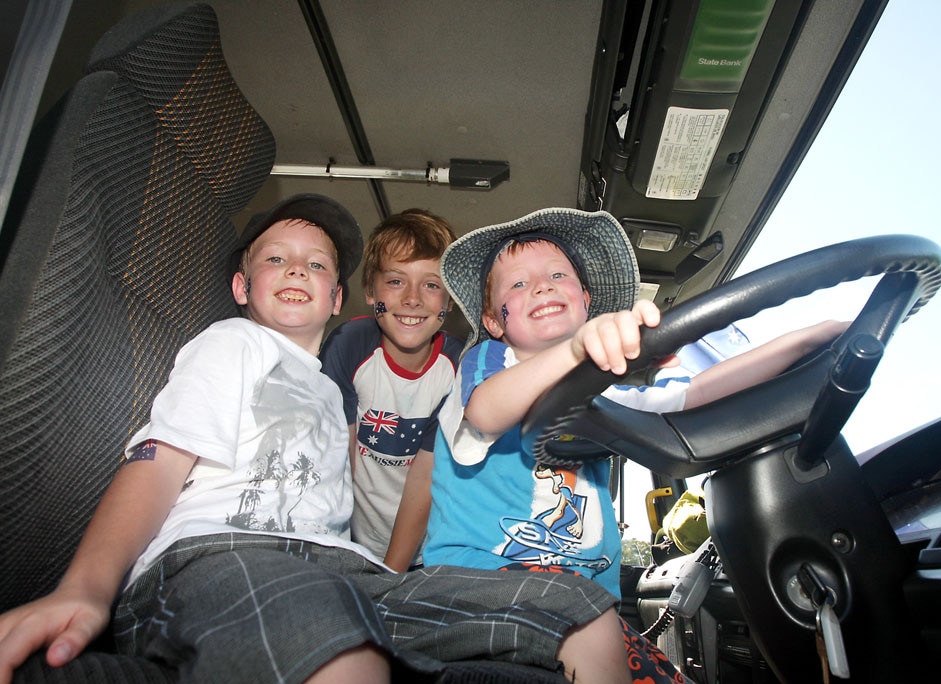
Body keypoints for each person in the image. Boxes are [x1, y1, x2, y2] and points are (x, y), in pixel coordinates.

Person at [0, 195, 633, 684]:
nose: (296, 267)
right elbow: (159, 457)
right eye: (275, 258)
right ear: (243, 288)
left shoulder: (330, 391)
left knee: (576, 605)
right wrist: (86, 588)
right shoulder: (232, 342)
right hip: (222, 553)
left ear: (333, 297)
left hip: (341, 566)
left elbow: (411, 473)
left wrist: (389, 567)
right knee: (329, 631)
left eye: (317, 263)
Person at [423, 207, 849, 596]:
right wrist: (574, 351)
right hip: (478, 574)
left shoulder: (602, 393)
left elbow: (694, 396)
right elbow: (484, 412)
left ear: (586, 301)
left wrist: (808, 337)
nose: (540, 287)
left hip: (586, 584)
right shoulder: (490, 362)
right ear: (494, 321)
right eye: (518, 283)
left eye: (558, 276)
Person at [320, 208, 460, 571]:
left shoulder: (457, 368)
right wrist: (339, 550)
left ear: (449, 301)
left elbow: (424, 477)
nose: (413, 298)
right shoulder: (350, 345)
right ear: (370, 291)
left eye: (432, 285)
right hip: (349, 540)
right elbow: (338, 457)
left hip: (426, 553)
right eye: (396, 281)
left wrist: (390, 577)